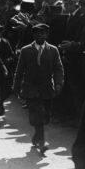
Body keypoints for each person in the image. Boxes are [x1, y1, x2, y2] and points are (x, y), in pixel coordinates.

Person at [12, 23, 64, 153]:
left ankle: (36, 135)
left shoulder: (53, 50)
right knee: (37, 114)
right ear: (33, 35)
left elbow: (58, 68)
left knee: (46, 116)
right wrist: (16, 87)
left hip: (47, 87)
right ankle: (41, 141)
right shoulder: (25, 50)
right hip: (31, 87)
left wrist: (58, 83)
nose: (40, 35)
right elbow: (19, 71)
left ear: (47, 35)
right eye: (37, 33)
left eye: (43, 33)